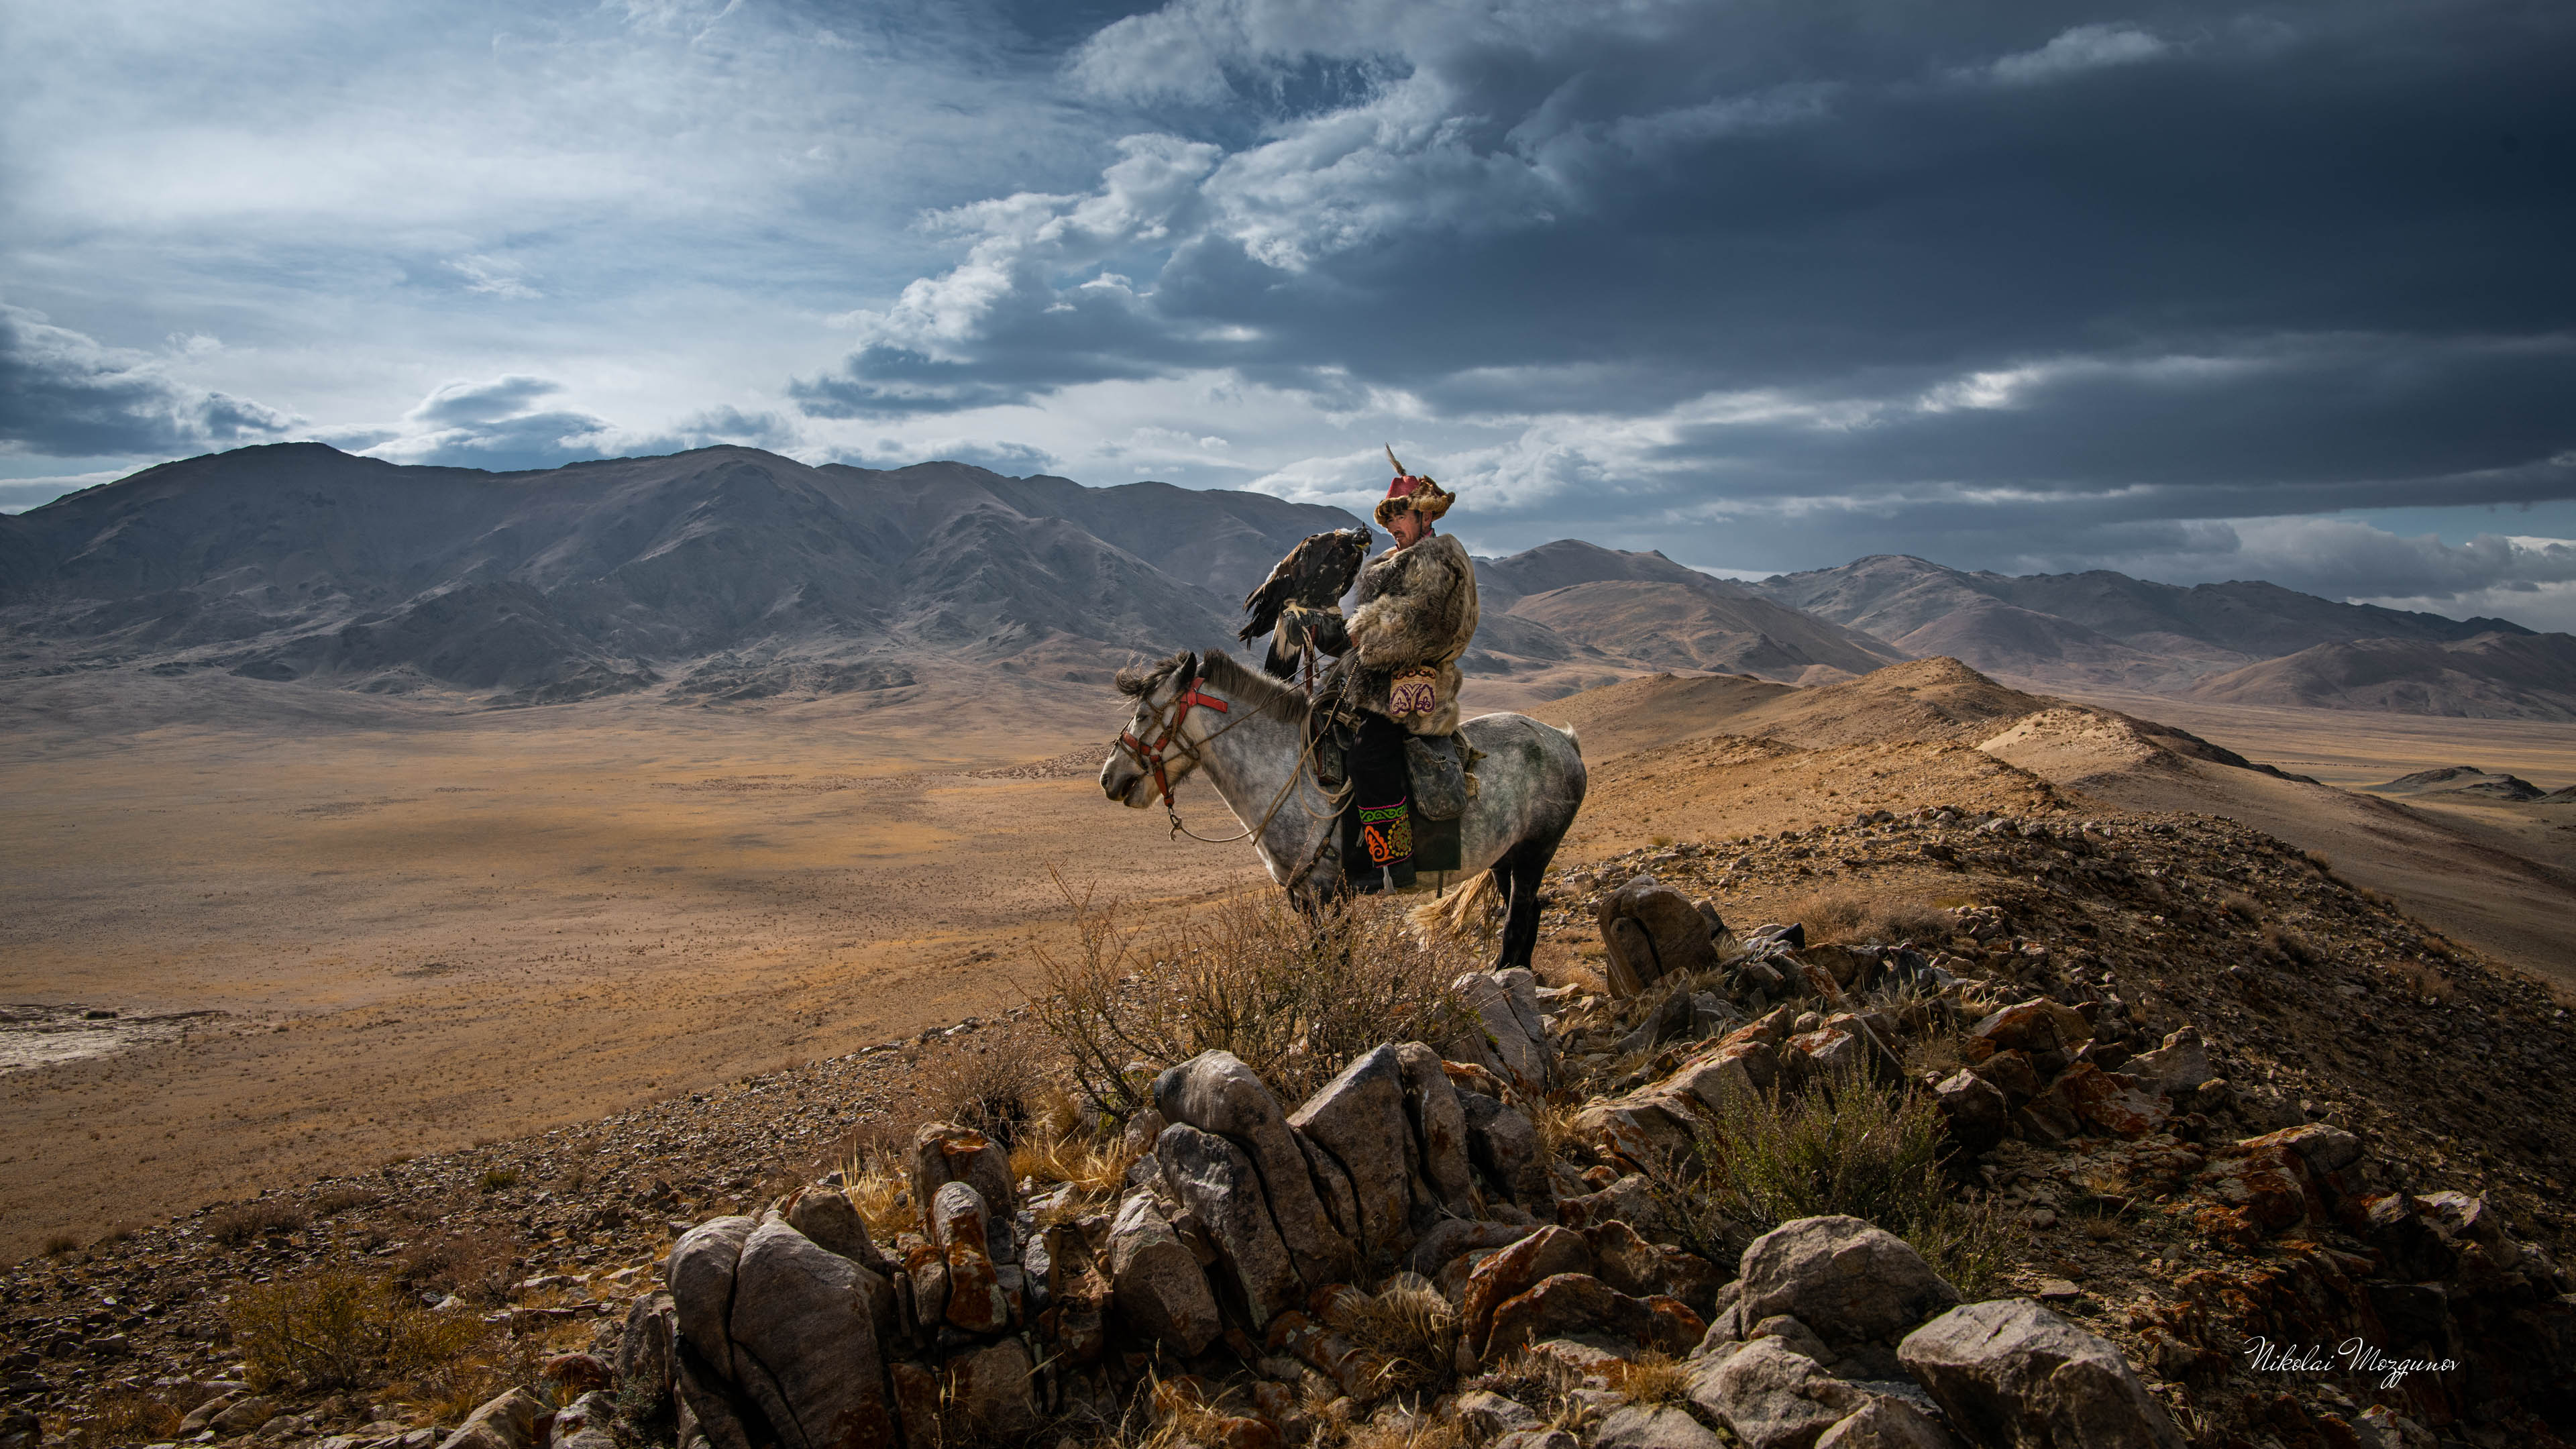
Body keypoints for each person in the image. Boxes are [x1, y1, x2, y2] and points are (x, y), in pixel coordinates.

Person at [1334, 451, 1479, 892]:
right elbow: (1371, 621)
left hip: (1417, 687)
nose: (1392, 527)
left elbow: (1418, 626)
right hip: (1378, 678)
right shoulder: (1393, 564)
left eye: (1400, 517)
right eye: (1389, 519)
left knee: (1368, 754)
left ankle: (1394, 863)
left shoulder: (1438, 563)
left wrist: (1362, 642)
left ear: (1423, 515)